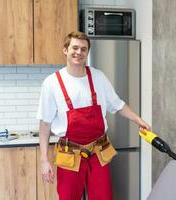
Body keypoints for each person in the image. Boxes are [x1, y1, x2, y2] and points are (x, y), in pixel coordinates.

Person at [37, 31, 151, 200]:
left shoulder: (98, 77)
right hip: (70, 154)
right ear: (65, 50)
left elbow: (118, 105)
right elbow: (45, 125)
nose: (79, 52)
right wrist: (44, 160)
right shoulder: (51, 83)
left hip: (99, 152)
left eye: (83, 49)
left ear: (87, 52)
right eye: (74, 48)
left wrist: (138, 120)